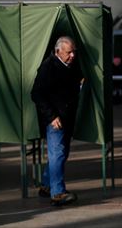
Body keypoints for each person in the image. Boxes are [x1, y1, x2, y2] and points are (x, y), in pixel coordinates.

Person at [31, 36, 83, 206]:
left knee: (61, 153)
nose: (73, 55)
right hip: (55, 119)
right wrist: (51, 116)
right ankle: (57, 193)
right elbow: (36, 94)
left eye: (74, 52)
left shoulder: (71, 65)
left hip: (67, 117)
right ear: (58, 51)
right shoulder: (48, 67)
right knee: (58, 153)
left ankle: (46, 186)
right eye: (69, 52)